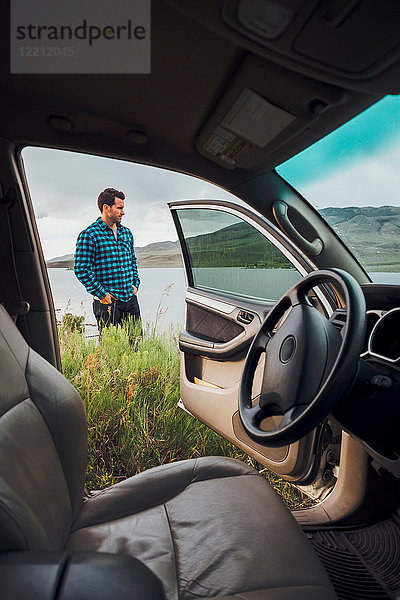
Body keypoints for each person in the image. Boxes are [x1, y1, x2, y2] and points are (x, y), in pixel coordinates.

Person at [74, 188, 141, 333]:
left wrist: (135, 283)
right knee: (110, 349)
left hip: (130, 299)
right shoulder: (89, 235)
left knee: (137, 345)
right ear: (106, 208)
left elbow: (132, 261)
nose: (123, 212)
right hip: (107, 303)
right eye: (119, 208)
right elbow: (81, 269)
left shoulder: (127, 233)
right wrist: (101, 294)